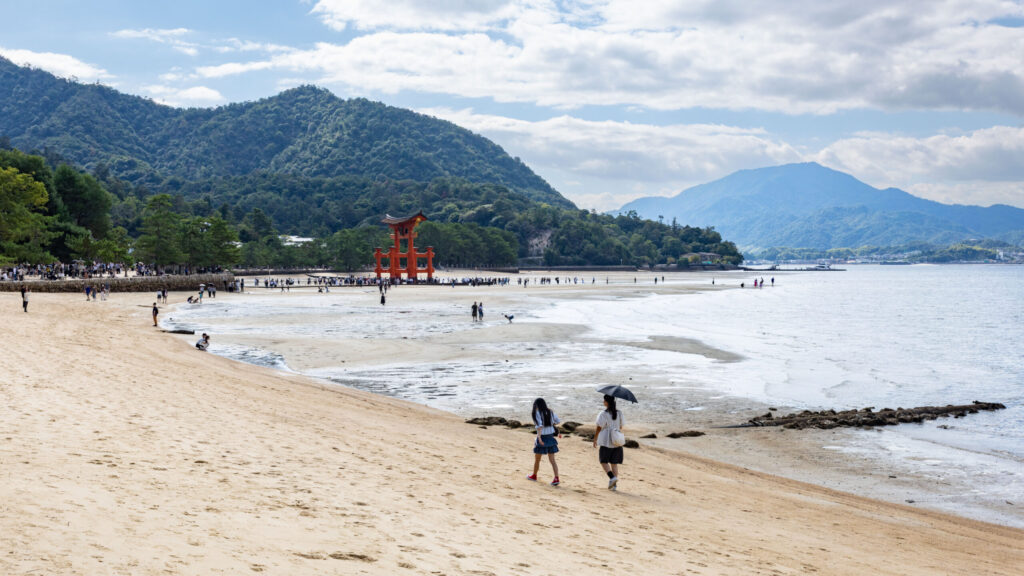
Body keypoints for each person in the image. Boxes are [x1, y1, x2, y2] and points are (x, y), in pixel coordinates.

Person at [593, 394, 624, 490]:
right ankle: (614, 486)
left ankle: (612, 478)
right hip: (617, 440)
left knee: (603, 461)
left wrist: (595, 438)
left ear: (607, 402)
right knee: (614, 463)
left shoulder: (603, 413)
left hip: (606, 440)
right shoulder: (619, 413)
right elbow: (621, 426)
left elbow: (599, 427)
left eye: (604, 400)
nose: (603, 402)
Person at [527, 398, 561, 486]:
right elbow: (558, 421)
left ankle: (534, 475)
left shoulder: (537, 413)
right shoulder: (550, 411)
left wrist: (539, 438)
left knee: (537, 459)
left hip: (542, 437)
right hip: (550, 437)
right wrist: (550, 423)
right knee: (552, 460)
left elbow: (539, 427)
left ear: (536, 405)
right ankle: (556, 478)